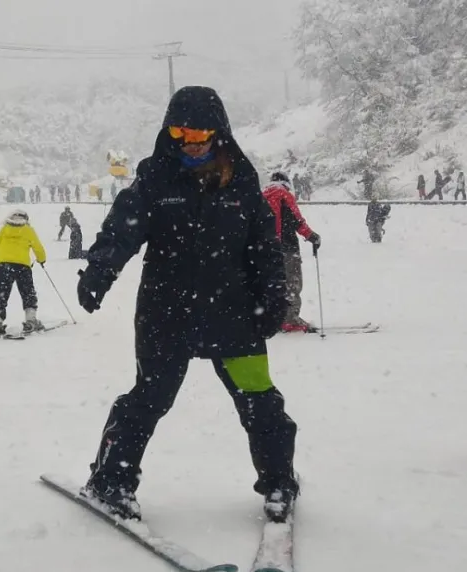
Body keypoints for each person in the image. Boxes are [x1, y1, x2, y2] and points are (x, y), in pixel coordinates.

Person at [75, 86, 299, 524]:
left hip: (235, 312)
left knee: (259, 401)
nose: (189, 140)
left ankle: (279, 481)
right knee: (150, 397)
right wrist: (100, 270)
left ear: (218, 132)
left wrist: (273, 298)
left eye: (198, 131)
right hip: (166, 311)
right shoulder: (155, 178)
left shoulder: (243, 181)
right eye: (179, 130)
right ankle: (110, 481)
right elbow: (122, 228)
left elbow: (264, 248)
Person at [262, 171, 322, 333]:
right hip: (286, 248)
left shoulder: (260, 196)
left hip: (264, 250)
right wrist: (312, 236)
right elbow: (296, 220)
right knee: (292, 284)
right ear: (286, 183)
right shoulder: (284, 195)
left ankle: (271, 319)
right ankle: (289, 320)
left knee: (272, 285)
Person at [0, 210, 47, 334]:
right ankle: (31, 321)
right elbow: (37, 246)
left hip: (4, 265)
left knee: (1, 293)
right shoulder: (28, 230)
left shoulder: (5, 229)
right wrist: (42, 259)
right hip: (23, 266)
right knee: (28, 292)